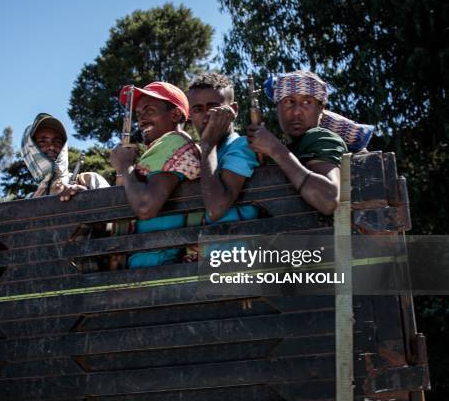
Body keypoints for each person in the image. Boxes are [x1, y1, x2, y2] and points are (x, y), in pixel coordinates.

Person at [110, 81, 201, 268]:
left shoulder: (171, 142)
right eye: (138, 114)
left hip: (157, 266)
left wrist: (125, 166)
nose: (141, 119)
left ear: (175, 114)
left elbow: (145, 207)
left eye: (149, 111)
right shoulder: (171, 148)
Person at [246, 71, 348, 215]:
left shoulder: (319, 137)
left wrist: (275, 149)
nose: (296, 112)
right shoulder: (296, 146)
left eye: (306, 102)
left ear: (321, 108)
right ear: (277, 108)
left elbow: (328, 200)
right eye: (289, 102)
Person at [188, 72, 259, 223]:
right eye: (198, 109)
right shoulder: (196, 155)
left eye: (213, 108)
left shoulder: (242, 146)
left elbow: (216, 209)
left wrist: (208, 145)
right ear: (190, 115)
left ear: (234, 110)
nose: (206, 115)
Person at [21, 112, 109, 200]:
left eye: (58, 141)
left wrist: (87, 198)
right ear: (29, 148)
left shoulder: (90, 180)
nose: (51, 146)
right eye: (43, 141)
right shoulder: (27, 201)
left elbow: (116, 209)